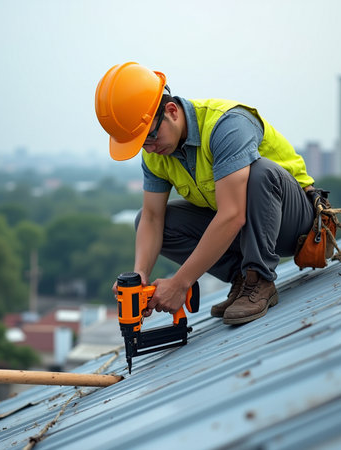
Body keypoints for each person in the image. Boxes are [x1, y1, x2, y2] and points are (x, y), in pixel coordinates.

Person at [95, 62, 315, 325]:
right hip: (244, 231)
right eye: (142, 143)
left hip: (295, 225)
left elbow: (232, 215)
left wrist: (180, 283)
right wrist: (139, 275)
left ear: (172, 111)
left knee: (260, 172)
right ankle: (243, 280)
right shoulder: (155, 154)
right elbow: (153, 219)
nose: (150, 149)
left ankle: (259, 279)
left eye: (151, 137)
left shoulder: (228, 125)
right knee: (147, 218)